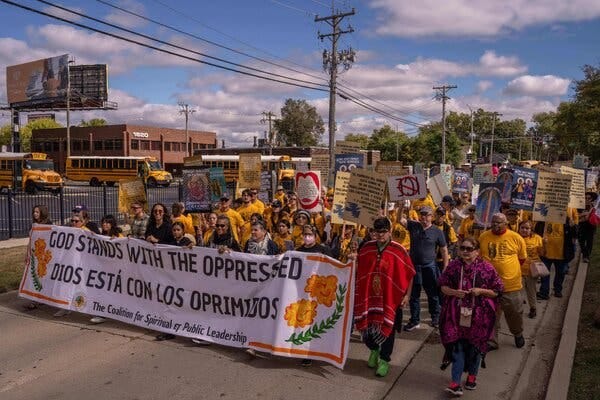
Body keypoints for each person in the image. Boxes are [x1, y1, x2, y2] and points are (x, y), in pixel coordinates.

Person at [439, 237, 503, 396]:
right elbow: (443, 286)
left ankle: (472, 377)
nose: (465, 252)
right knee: (457, 346)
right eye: (462, 248)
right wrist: (455, 292)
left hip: (479, 315)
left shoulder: (487, 268)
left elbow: (497, 291)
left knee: (474, 347)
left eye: (469, 249)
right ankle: (455, 383)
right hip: (455, 314)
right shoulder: (453, 266)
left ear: (477, 251)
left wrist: (480, 291)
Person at [354, 217, 415, 377]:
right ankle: (374, 349)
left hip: (390, 299)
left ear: (389, 231)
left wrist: (407, 296)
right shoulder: (366, 248)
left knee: (388, 330)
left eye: (383, 231)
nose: (380, 235)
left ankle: (384, 360)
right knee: (366, 328)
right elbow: (358, 269)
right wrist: (351, 258)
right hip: (369, 298)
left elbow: (409, 273)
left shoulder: (398, 250)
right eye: (376, 231)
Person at [478, 213, 527, 349]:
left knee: (514, 312)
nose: (495, 225)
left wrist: (508, 271)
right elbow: (479, 258)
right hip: (489, 285)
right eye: (493, 222)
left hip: (511, 284)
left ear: (505, 223)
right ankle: (492, 340)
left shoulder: (516, 238)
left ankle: (518, 333)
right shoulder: (483, 236)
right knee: (489, 313)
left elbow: (522, 258)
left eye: (499, 222)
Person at [401, 206, 448, 331]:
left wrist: (446, 267)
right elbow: (400, 220)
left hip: (429, 267)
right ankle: (415, 320)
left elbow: (444, 250)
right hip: (415, 267)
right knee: (414, 294)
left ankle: (436, 317)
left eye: (427, 215)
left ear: (432, 216)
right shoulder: (414, 226)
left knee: (432, 294)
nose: (424, 217)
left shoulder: (437, 231)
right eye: (422, 214)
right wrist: (401, 205)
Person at [518, 220, 545, 318]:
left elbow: (542, 254)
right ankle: (519, 310)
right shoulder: (515, 238)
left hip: (531, 270)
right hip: (518, 270)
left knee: (531, 291)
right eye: (522, 228)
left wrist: (544, 244)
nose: (524, 230)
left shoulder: (537, 238)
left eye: (527, 228)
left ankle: (533, 308)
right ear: (519, 228)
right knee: (518, 292)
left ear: (531, 229)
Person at [578, 192, 598, 263]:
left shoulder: (594, 207)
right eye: (585, 198)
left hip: (591, 227)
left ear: (592, 199)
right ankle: (584, 253)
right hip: (581, 227)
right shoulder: (580, 206)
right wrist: (584, 214)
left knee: (589, 242)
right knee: (581, 242)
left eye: (589, 198)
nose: (587, 199)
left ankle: (586, 256)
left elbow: (596, 216)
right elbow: (576, 216)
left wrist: (585, 216)